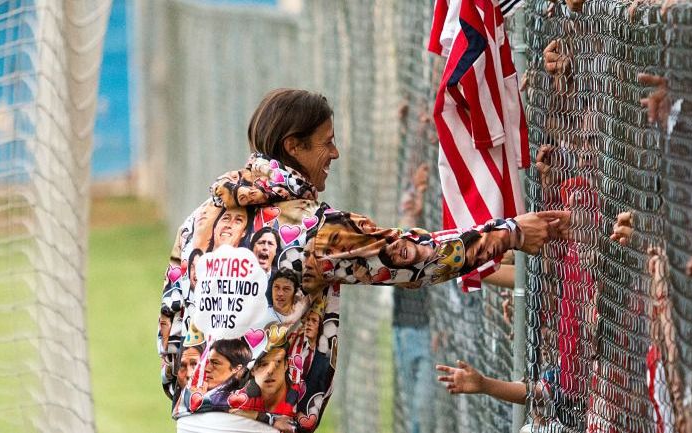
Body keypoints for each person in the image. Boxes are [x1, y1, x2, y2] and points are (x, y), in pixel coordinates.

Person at [158, 88, 571, 433]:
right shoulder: (311, 227)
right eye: (326, 142)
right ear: (293, 147)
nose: (335, 153)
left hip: (194, 417)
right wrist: (509, 233)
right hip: (259, 421)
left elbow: (170, 325)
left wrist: (186, 393)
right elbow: (414, 257)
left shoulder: (198, 222)